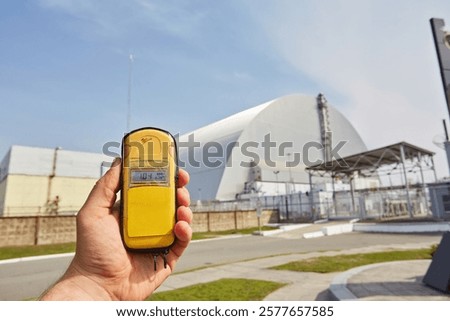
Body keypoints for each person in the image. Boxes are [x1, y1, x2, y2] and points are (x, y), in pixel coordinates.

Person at [40, 157, 192, 300]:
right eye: (142, 176)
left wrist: (90, 284)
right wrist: (94, 281)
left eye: (158, 175)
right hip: (156, 241)